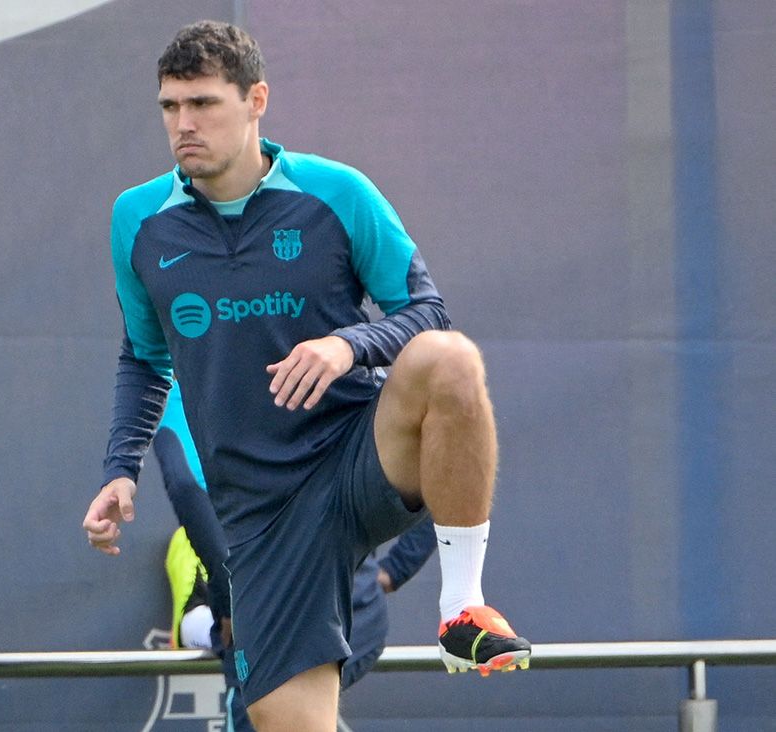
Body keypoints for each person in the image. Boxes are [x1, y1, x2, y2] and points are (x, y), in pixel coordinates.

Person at [81, 20, 530, 731]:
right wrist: (119, 469)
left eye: (203, 104)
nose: (183, 124)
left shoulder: (338, 194)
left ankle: (462, 607)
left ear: (256, 99)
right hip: (259, 511)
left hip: (357, 457)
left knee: (451, 360)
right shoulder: (137, 220)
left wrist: (349, 346)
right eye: (170, 107)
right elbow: (144, 356)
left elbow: (428, 311)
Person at [158, 380, 436, 731]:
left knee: (271, 704)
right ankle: (198, 614)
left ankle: (196, 618)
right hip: (267, 591)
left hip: (328, 596)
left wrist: (396, 568)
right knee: (273, 704)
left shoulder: (328, 366)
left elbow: (442, 462)